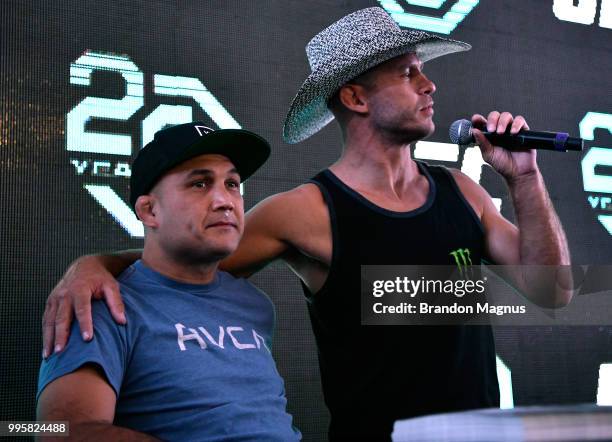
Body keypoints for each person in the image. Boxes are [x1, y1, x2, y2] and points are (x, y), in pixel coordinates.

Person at [41, 7, 571, 440]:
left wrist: (524, 179)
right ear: (355, 97)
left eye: (423, 71)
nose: (429, 85)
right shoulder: (302, 211)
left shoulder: (463, 191)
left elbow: (554, 292)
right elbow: (180, 264)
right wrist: (94, 265)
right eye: (408, 73)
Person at [37, 123, 301, 441]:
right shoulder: (99, 303)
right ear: (149, 210)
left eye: (232, 184)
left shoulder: (255, 305)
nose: (225, 200)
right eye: (200, 184)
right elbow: (58, 432)